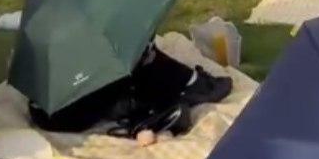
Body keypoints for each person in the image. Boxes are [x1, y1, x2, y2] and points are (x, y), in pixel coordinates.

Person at [27, 41, 233, 136]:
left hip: (47, 108)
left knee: (131, 58)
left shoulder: (59, 19)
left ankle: (144, 106)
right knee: (137, 61)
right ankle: (183, 88)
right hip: (62, 112)